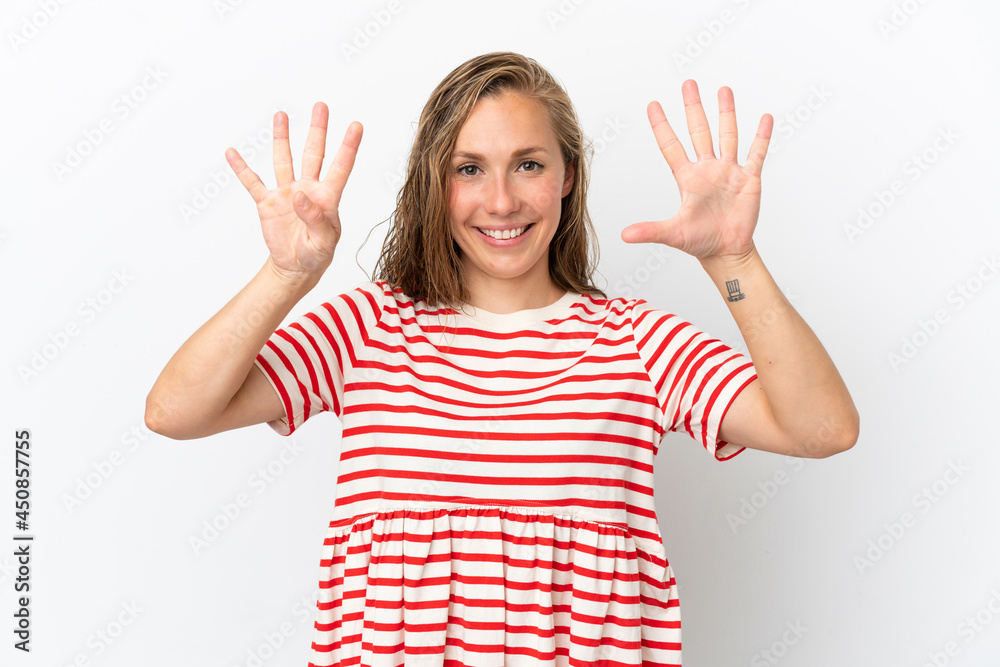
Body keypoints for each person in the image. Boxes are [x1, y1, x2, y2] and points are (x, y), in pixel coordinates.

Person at [146, 52, 858, 666]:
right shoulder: (367, 329)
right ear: (435, 183)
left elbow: (822, 428)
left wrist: (734, 260)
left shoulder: (638, 344)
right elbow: (175, 412)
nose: (501, 200)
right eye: (469, 169)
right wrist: (287, 275)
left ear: (567, 175)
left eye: (528, 164)